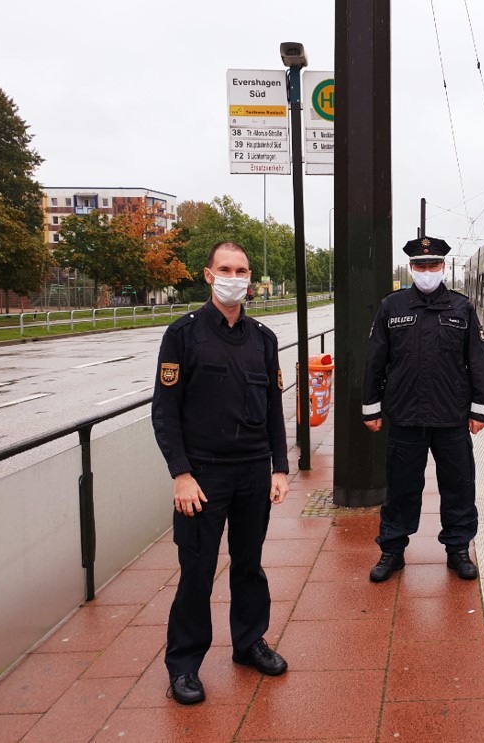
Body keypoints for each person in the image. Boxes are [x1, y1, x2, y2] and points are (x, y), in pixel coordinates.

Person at [151, 241, 289, 705]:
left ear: (251, 278)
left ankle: (249, 643)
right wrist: (180, 474)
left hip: (253, 472)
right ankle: (184, 666)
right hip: (203, 477)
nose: (236, 277)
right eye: (226, 269)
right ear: (209, 275)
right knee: (197, 570)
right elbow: (165, 413)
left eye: (243, 270)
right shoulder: (183, 335)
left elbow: (274, 411)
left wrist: (280, 468)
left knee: (249, 565)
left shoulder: (263, 339)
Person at [362, 236, 484, 583]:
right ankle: (392, 549)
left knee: (459, 486)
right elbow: (375, 360)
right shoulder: (392, 306)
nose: (426, 271)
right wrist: (371, 408)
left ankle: (458, 549)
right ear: (411, 268)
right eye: (420, 265)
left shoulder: (462, 308)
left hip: (451, 418)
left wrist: (479, 410)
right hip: (405, 417)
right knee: (401, 487)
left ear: (443, 267)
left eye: (433, 265)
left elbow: (478, 362)